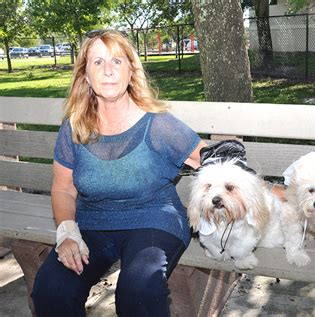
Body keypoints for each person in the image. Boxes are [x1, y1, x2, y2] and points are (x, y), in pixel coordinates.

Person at [31, 29, 207, 317]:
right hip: (92, 223)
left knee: (139, 289)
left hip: (153, 219)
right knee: (52, 288)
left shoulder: (159, 124)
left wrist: (274, 192)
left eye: (117, 61)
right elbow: (63, 188)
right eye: (98, 62)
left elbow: (216, 163)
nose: (108, 71)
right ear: (85, 76)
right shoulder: (74, 126)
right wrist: (67, 232)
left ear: (130, 71)